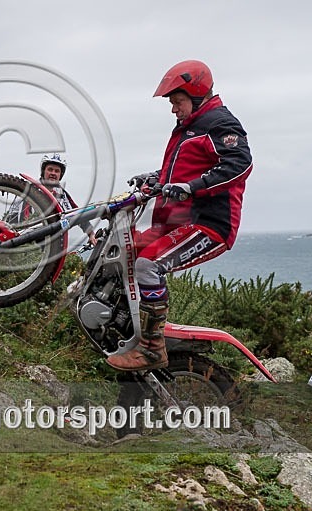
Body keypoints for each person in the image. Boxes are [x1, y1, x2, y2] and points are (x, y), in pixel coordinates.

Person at [106, 59, 253, 371]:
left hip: (210, 225)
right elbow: (182, 171)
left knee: (147, 266)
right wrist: (157, 179)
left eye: (177, 101)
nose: (173, 109)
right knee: (128, 249)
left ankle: (151, 349)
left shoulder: (221, 124)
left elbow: (239, 164)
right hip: (181, 220)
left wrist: (192, 188)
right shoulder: (190, 128)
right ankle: (122, 325)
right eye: (172, 103)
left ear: (197, 95)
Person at [6, 153, 98, 245]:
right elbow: (12, 216)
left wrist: (91, 234)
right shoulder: (29, 189)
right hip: (22, 240)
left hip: (47, 243)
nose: (53, 173)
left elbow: (76, 214)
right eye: (50, 169)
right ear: (43, 171)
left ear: (60, 175)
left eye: (57, 171)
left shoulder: (62, 195)